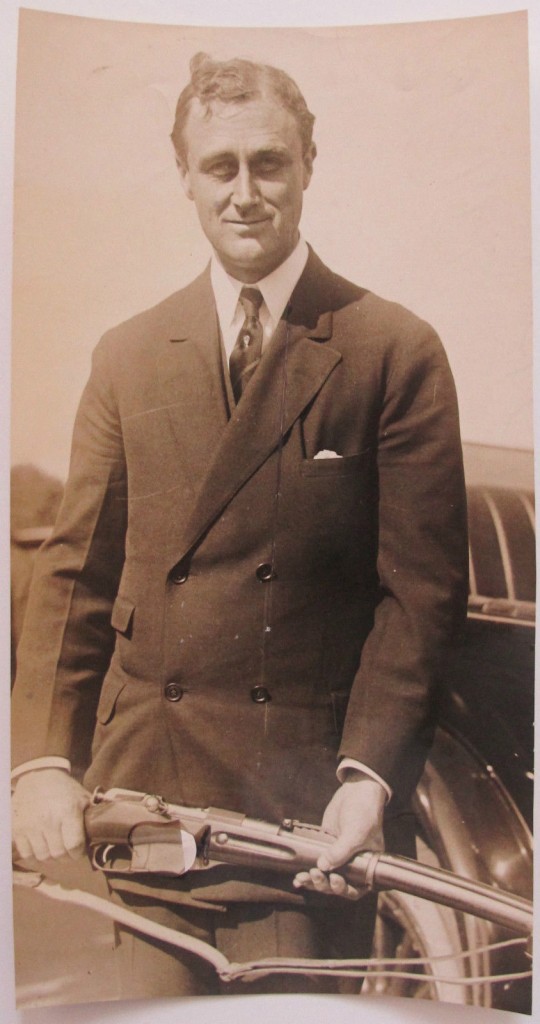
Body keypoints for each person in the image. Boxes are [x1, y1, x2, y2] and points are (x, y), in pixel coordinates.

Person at [11, 53, 468, 998]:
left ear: (309, 165)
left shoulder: (393, 350)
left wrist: (369, 780)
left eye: (271, 163)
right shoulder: (129, 355)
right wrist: (43, 763)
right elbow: (74, 575)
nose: (247, 192)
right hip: (138, 818)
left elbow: (418, 595)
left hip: (299, 827)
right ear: (184, 176)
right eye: (221, 167)